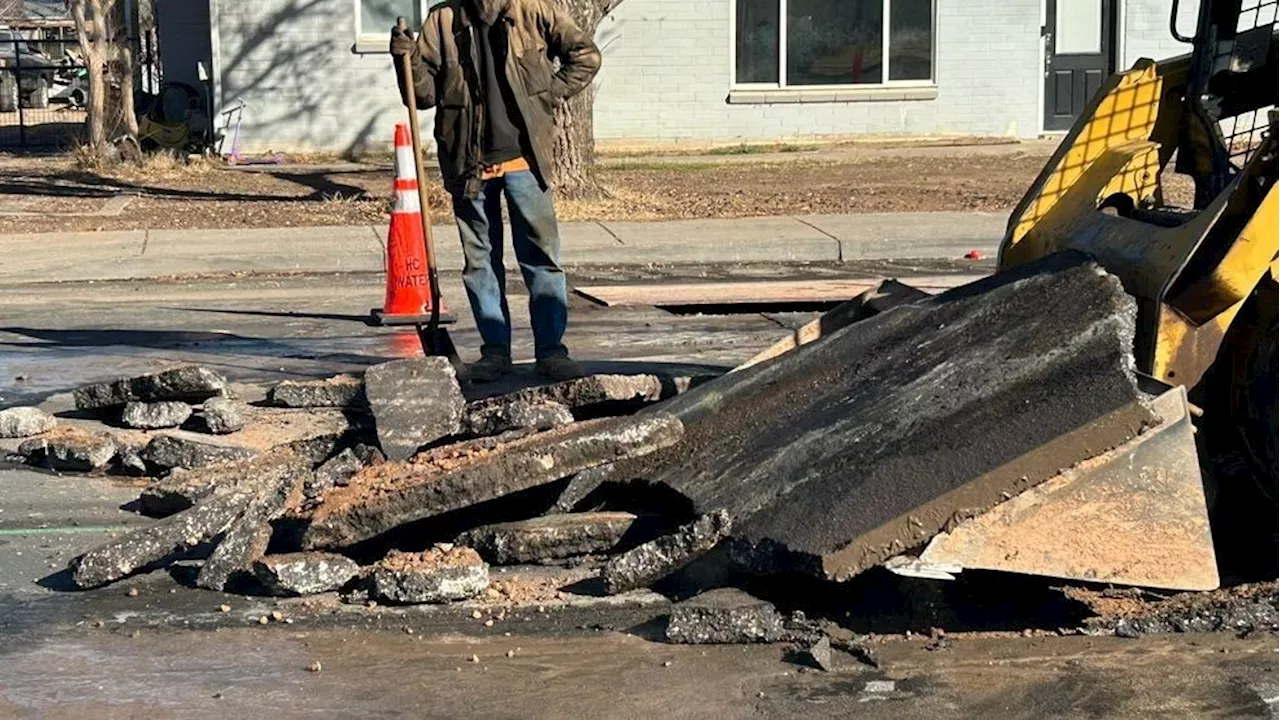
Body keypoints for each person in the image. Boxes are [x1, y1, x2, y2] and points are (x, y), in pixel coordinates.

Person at [389, 0, 601, 383]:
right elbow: (421, 96)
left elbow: (585, 56)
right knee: (480, 263)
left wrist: (548, 95)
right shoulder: (443, 19)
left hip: (525, 159)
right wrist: (405, 59)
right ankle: (495, 353)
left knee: (541, 259)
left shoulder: (534, 10)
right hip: (469, 163)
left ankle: (552, 351)